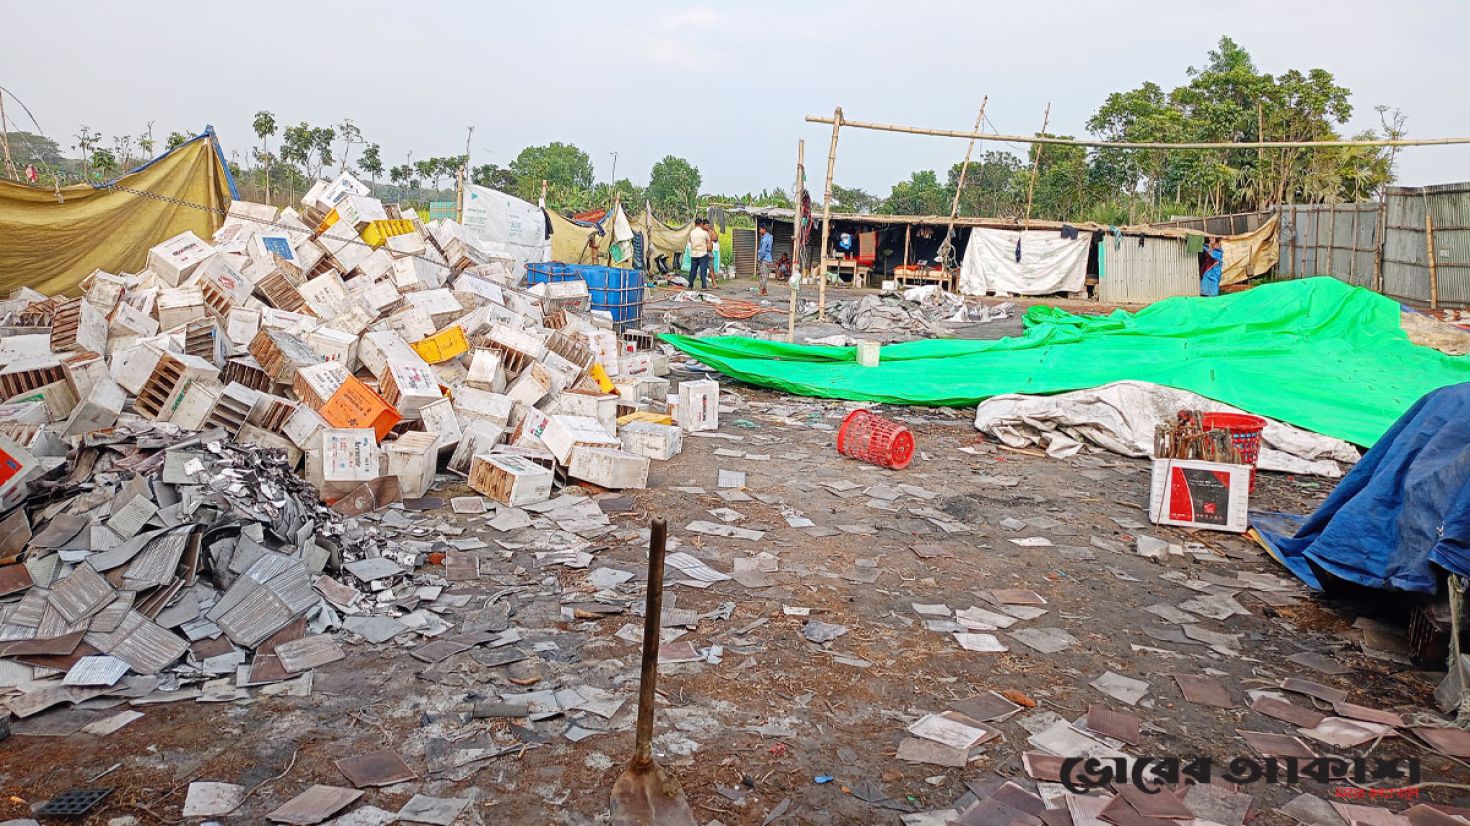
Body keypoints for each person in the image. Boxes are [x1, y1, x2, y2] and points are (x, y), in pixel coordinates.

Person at [688, 218, 713, 290]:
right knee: (703, 270)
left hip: (693, 254)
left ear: (695, 224)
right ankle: (704, 286)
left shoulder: (692, 232)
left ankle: (690, 285)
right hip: (702, 254)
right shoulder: (704, 233)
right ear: (701, 224)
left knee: (693, 270)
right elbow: (709, 241)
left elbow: (690, 241)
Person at [756, 225, 773, 295]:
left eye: (760, 229)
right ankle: (764, 291)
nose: (760, 231)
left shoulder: (765, 239)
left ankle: (762, 291)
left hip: (764, 259)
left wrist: (759, 258)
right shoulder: (770, 237)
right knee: (765, 276)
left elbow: (763, 250)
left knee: (763, 276)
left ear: (764, 229)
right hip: (769, 259)